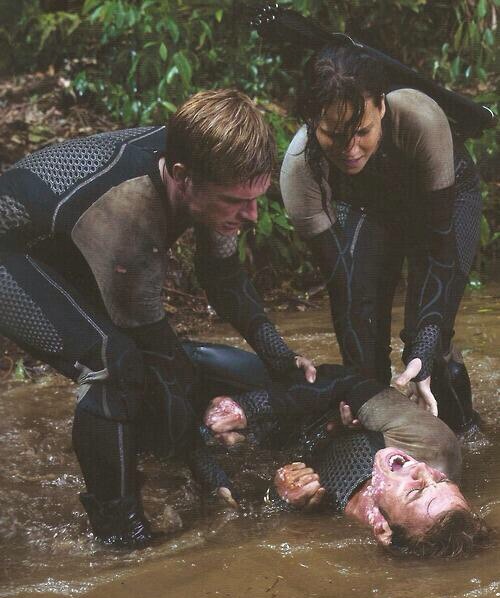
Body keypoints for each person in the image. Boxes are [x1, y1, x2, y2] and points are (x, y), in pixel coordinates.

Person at [0, 89, 315, 548]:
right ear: (183, 178)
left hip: (66, 245)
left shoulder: (209, 169)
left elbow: (223, 277)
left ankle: (143, 449)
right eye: (236, 201)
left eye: (256, 199)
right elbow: (152, 351)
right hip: (14, 253)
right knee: (113, 364)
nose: (251, 215)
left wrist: (282, 358)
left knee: (148, 369)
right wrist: (206, 467)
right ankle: (121, 537)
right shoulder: (131, 210)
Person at [279, 46, 483, 436]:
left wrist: (424, 346)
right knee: (364, 339)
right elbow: (344, 290)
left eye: (362, 131)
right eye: (334, 135)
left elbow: (438, 251)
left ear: (382, 109)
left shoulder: (419, 118)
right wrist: (360, 390)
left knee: (430, 342)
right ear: (312, 121)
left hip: (444, 200)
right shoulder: (300, 170)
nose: (350, 150)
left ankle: (467, 434)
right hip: (371, 209)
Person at [201, 351, 487, 558]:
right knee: (196, 359)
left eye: (416, 490)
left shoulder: (333, 535)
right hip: (288, 396)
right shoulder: (429, 442)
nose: (423, 470)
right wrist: (250, 407)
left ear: (382, 530)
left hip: (257, 443)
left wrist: (278, 498)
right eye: (442, 480)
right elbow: (341, 379)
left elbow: (244, 525)